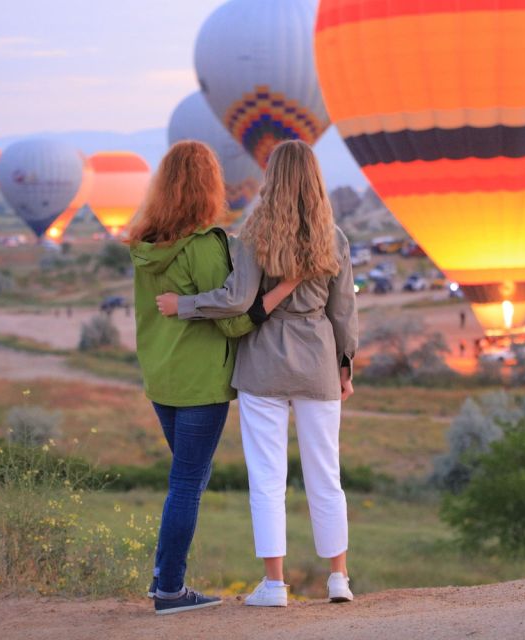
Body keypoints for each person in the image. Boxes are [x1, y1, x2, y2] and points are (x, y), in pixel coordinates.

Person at [157, 140, 359, 607]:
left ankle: (273, 586)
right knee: (326, 475)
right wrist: (345, 365)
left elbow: (233, 299)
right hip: (317, 362)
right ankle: (339, 579)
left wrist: (182, 305)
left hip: (262, 364)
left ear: (272, 177)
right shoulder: (335, 237)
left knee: (267, 477)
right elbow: (344, 312)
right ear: (315, 177)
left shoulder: (253, 234)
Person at [129, 141, 296, 615]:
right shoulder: (205, 247)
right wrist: (271, 303)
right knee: (187, 482)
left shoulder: (145, 244)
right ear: (208, 186)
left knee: (187, 477)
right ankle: (169, 590)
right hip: (201, 384)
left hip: (161, 379)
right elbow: (230, 318)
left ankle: (163, 575)